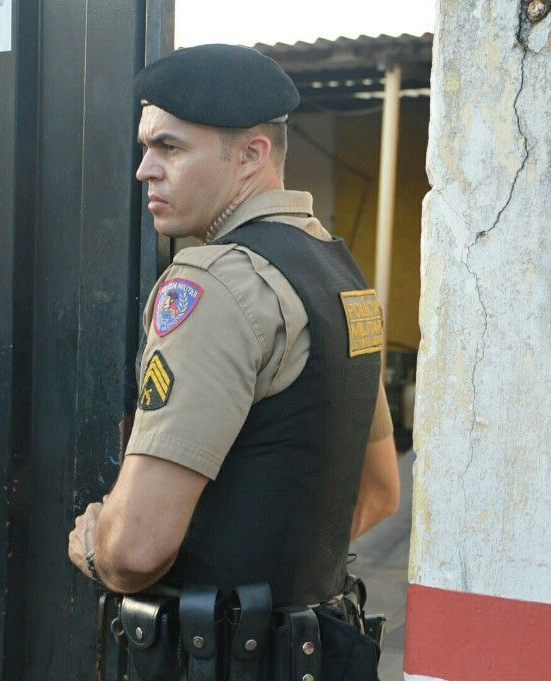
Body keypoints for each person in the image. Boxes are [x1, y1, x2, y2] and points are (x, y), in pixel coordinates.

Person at [68, 43, 400, 679]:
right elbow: (380, 492)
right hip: (318, 656)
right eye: (145, 147)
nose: (144, 169)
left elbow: (134, 552)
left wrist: (93, 543)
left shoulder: (212, 284)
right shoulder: (338, 272)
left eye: (169, 147)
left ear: (252, 154)